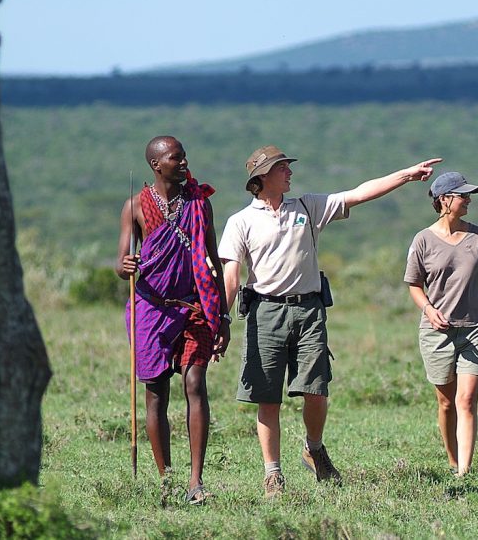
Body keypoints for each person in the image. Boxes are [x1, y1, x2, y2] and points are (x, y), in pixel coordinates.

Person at [219, 145, 440, 497]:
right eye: (282, 168)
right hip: (265, 312)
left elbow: (358, 194)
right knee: (267, 397)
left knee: (316, 389)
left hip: (309, 310)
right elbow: (231, 276)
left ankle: (314, 447)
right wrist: (221, 318)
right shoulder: (240, 221)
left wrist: (407, 175)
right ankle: (273, 474)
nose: (289, 172)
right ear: (262, 177)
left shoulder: (307, 207)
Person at [115, 136, 230, 505]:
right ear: (156, 165)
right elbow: (121, 262)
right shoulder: (135, 206)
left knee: (195, 383)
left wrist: (222, 316)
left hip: (193, 307)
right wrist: (125, 265)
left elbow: (213, 260)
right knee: (156, 394)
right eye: (176, 158)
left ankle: (196, 482)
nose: (184, 163)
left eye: (184, 157)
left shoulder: (199, 204)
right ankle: (167, 480)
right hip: (150, 310)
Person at [403, 171, 478, 477]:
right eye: (463, 195)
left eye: (468, 195)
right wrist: (428, 309)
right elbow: (414, 284)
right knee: (446, 402)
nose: (468, 200)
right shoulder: (423, 240)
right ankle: (453, 461)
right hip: (437, 333)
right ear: (444, 200)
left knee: (466, 399)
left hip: (476, 328)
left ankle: (464, 470)